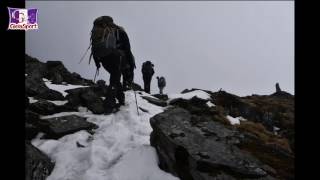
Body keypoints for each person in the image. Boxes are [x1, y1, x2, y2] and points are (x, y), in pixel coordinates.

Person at [90, 16, 135, 113]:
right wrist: (131, 65)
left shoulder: (101, 32)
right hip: (116, 57)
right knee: (115, 78)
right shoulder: (120, 31)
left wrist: (97, 63)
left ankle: (121, 99)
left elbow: (94, 48)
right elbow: (127, 49)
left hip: (103, 58)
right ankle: (109, 104)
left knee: (115, 76)